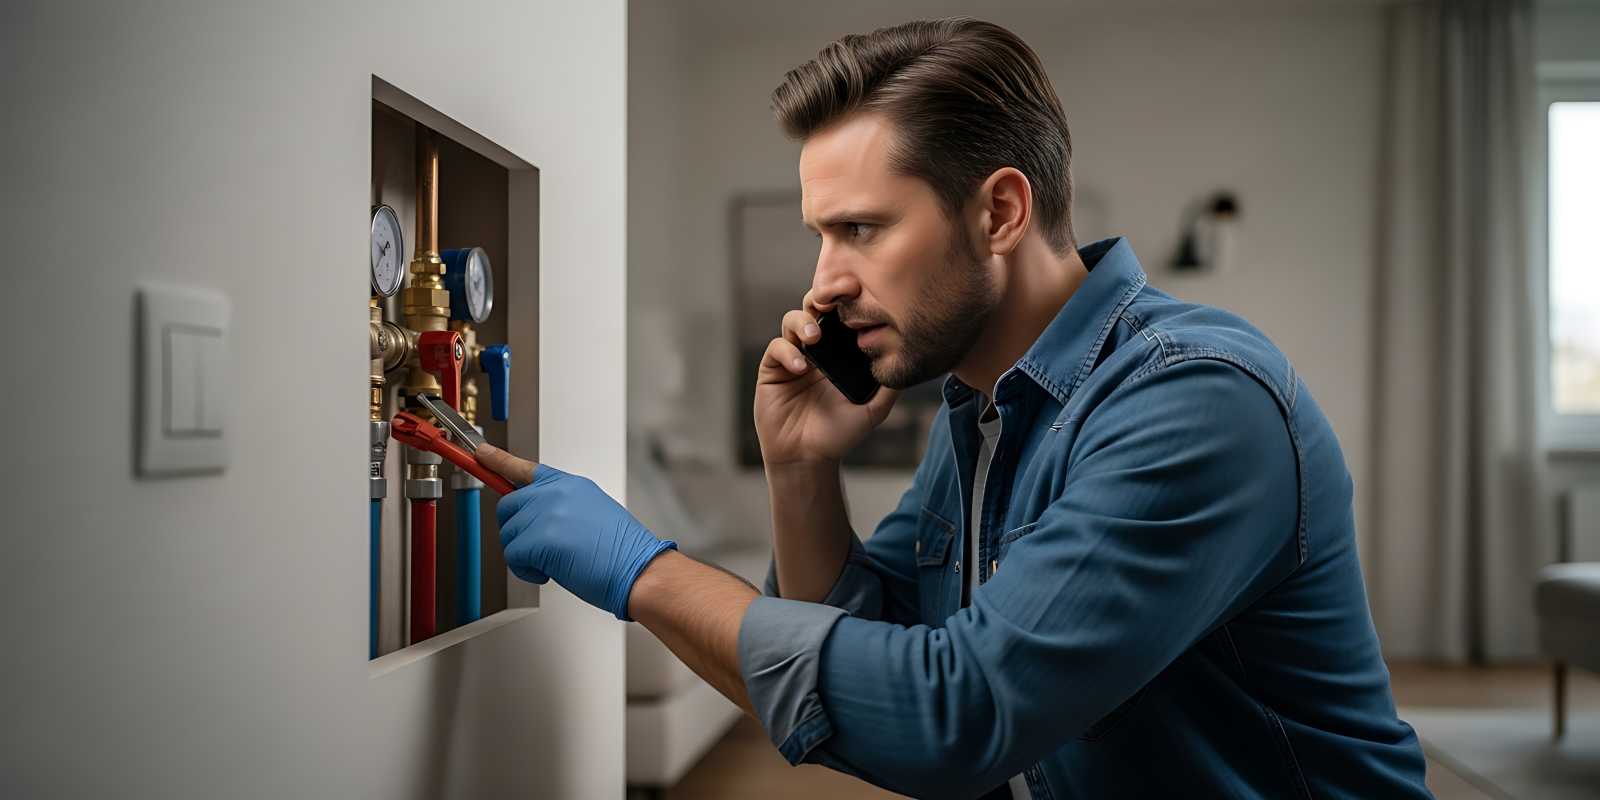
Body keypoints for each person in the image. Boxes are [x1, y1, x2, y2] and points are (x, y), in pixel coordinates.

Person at [476, 17, 1432, 799]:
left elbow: (953, 717)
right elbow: (866, 639)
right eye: (821, 235)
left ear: (1001, 213)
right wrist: (800, 467)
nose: (822, 286)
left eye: (860, 229)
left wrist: (641, 570)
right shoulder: (978, 407)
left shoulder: (1195, 401)